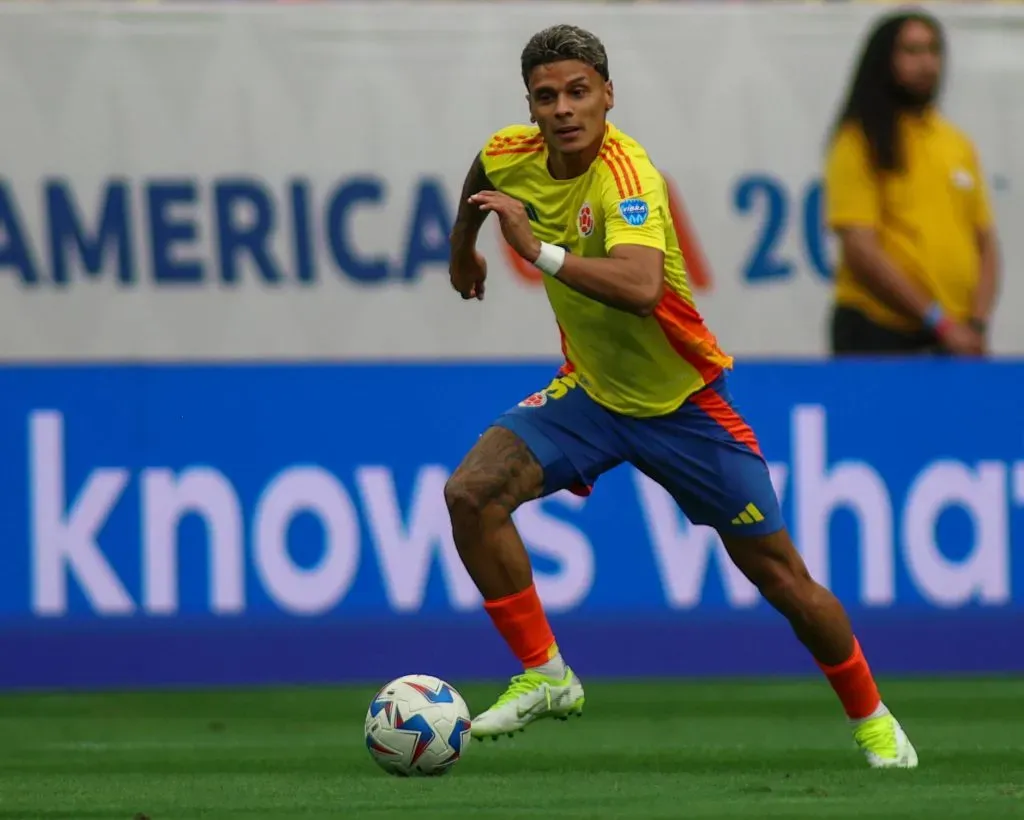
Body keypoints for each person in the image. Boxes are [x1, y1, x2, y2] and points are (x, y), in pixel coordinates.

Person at [445, 23, 917, 768]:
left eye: (578, 92)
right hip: (592, 398)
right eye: (547, 96)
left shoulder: (629, 178)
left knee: (783, 579)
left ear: (607, 96)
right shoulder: (513, 151)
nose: (564, 108)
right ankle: (546, 674)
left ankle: (874, 717)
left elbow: (639, 288)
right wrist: (462, 247)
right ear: (530, 107)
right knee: (469, 494)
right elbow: (481, 174)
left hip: (683, 407)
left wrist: (537, 252)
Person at [824, 9, 1000, 356]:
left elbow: (986, 244)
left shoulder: (956, 143)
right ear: (884, 60)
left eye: (933, 50)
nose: (926, 63)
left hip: (958, 338)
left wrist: (975, 324)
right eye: (912, 51)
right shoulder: (858, 141)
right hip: (878, 331)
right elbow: (861, 249)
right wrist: (938, 321)